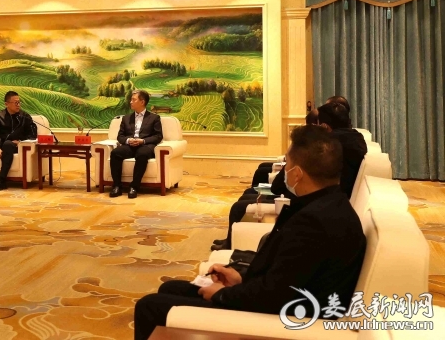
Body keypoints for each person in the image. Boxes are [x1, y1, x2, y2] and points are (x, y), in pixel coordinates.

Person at [134, 125, 366, 340]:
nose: (284, 170)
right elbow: (286, 277)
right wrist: (241, 278)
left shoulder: (313, 223)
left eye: (287, 164)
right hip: (281, 300)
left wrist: (222, 294)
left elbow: (275, 295)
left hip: (281, 318)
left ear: (297, 174)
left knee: (150, 306)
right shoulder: (329, 205)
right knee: (170, 289)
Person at [212, 101, 365, 251]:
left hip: (300, 199)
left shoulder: (326, 150)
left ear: (324, 127)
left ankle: (230, 243)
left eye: (317, 125)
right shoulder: (352, 142)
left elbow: (278, 187)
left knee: (240, 206)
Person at [109, 90, 163, 199]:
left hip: (145, 146)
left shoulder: (154, 118)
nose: (130, 102)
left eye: (133, 100)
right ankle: (117, 186)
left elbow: (158, 136)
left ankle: (134, 187)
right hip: (130, 145)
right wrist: (129, 140)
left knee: (142, 154)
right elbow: (120, 136)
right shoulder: (126, 118)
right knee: (115, 153)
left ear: (142, 102)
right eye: (131, 100)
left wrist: (142, 141)